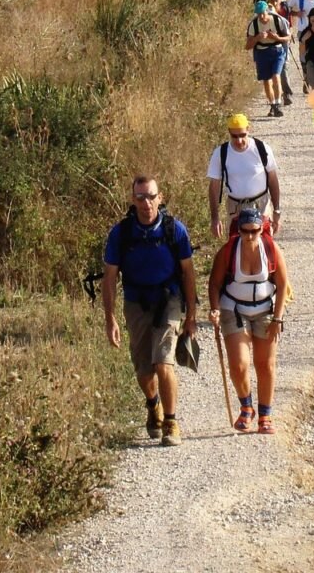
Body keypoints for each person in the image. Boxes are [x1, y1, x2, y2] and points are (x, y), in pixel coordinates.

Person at [102, 175, 198, 447]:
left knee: (163, 361)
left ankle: (171, 421)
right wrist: (110, 319)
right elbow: (109, 278)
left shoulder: (174, 229)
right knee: (144, 370)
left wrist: (191, 316)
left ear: (161, 197)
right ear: (133, 200)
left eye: (151, 196)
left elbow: (188, 273)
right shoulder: (121, 234)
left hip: (168, 300)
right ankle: (152, 404)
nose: (146, 203)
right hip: (136, 302)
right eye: (141, 197)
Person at [208, 207, 289, 435]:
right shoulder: (228, 251)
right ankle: (246, 406)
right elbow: (214, 284)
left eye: (255, 231)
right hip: (233, 308)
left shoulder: (272, 249)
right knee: (239, 364)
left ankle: (265, 415)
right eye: (245, 231)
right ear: (239, 231)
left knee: (266, 364)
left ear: (262, 229)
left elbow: (283, 285)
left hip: (265, 309)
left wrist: (278, 318)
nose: (250, 236)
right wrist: (214, 309)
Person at [207, 113, 281, 239]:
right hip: (235, 208)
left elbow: (273, 180)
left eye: (242, 135)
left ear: (248, 130)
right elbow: (214, 187)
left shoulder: (262, 149)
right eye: (234, 136)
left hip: (261, 205)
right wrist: (215, 218)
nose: (239, 140)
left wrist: (277, 211)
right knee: (234, 246)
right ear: (229, 132)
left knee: (266, 245)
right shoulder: (221, 153)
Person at [246, 0, 290, 118]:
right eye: (258, 13)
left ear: (267, 11)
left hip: (277, 50)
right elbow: (247, 46)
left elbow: (288, 37)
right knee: (266, 81)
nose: (261, 16)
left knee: (276, 76)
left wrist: (276, 38)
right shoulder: (253, 25)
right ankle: (272, 105)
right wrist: (257, 38)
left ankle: (277, 104)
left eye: (263, 13)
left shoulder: (277, 20)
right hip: (262, 53)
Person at [267, 0, 293, 106]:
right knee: (273, 71)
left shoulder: (284, 10)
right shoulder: (266, 12)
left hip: (282, 42)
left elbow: (290, 28)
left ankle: (286, 94)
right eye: (271, 0)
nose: (274, 3)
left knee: (283, 68)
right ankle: (276, 95)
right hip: (269, 45)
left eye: (276, 0)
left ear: (280, 1)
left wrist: (284, 39)